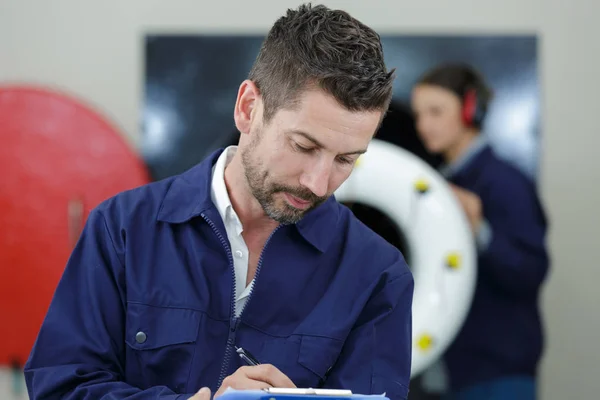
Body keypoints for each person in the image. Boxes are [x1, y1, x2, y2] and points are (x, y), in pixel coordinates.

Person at [24, 4, 415, 400]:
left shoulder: (378, 275)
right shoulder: (122, 229)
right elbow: (59, 387)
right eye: (303, 145)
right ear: (248, 109)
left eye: (346, 159)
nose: (318, 183)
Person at [410, 63, 549, 400]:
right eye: (418, 114)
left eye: (436, 112)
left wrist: (479, 228)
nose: (424, 125)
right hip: (451, 370)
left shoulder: (504, 182)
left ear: (470, 109)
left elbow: (531, 271)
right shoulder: (443, 182)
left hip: (497, 372)